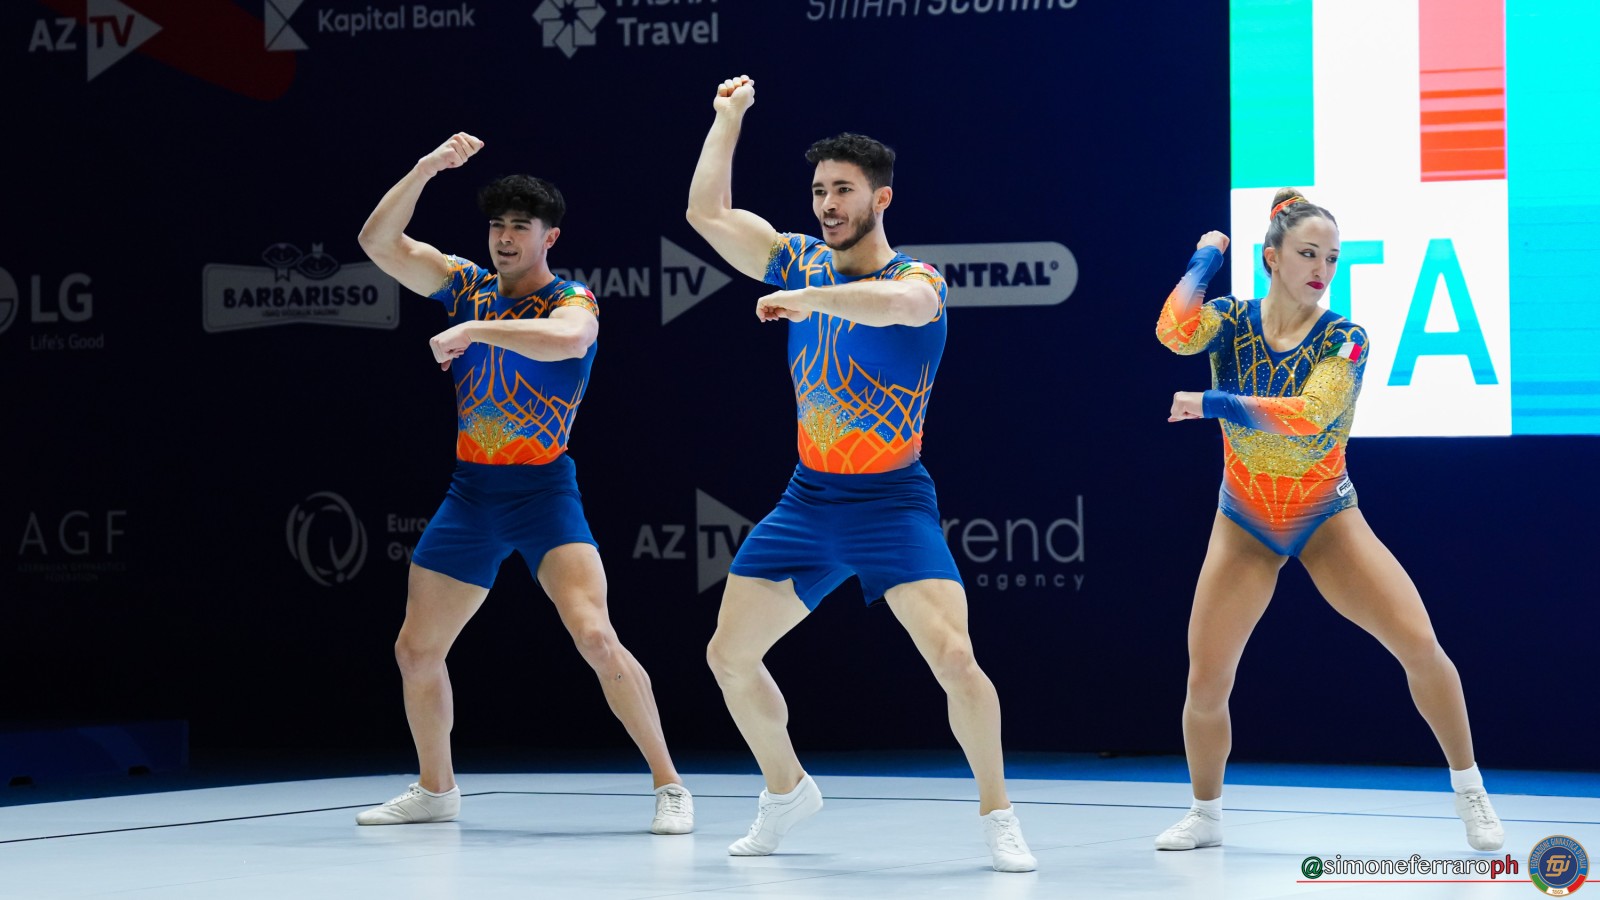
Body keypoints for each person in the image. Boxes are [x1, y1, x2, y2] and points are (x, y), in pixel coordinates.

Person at [685, 76, 1037, 873]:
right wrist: (727, 118)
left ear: (881, 198)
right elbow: (707, 215)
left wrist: (810, 301)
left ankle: (999, 812)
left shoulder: (920, 281)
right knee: (728, 656)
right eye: (819, 191)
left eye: (843, 190)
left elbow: (892, 308)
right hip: (808, 501)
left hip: (892, 504)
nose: (827, 204)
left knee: (955, 660)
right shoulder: (799, 259)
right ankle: (786, 790)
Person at [351, 132, 692, 834]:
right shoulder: (466, 284)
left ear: (549, 237)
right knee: (415, 650)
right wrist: (426, 168)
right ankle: (436, 789)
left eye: (520, 227)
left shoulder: (571, 299)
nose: (504, 239)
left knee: (595, 636)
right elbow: (378, 242)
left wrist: (473, 332)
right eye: (497, 226)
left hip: (543, 496)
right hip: (471, 495)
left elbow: (569, 341)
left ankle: (670, 785)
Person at [1152, 189, 1503, 852]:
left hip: (1325, 517)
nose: (1322, 268)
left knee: (1420, 646)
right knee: (1206, 679)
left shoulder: (1345, 337)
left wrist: (1211, 401)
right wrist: (1205, 257)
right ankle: (1206, 814)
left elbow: (1310, 415)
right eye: (1308, 253)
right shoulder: (1229, 320)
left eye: (1332, 258)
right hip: (1244, 520)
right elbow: (1173, 331)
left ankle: (1471, 792)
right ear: (1272, 256)